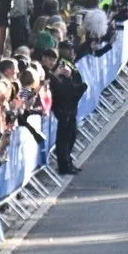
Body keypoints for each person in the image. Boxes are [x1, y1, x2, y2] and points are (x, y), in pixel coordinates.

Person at [45, 44, 87, 175]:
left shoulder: (66, 67)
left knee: (71, 136)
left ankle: (68, 162)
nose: (52, 62)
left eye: (54, 59)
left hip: (70, 107)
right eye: (49, 59)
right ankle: (63, 165)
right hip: (61, 108)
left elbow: (70, 87)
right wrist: (56, 75)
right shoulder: (46, 72)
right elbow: (52, 87)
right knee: (63, 139)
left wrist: (76, 85)